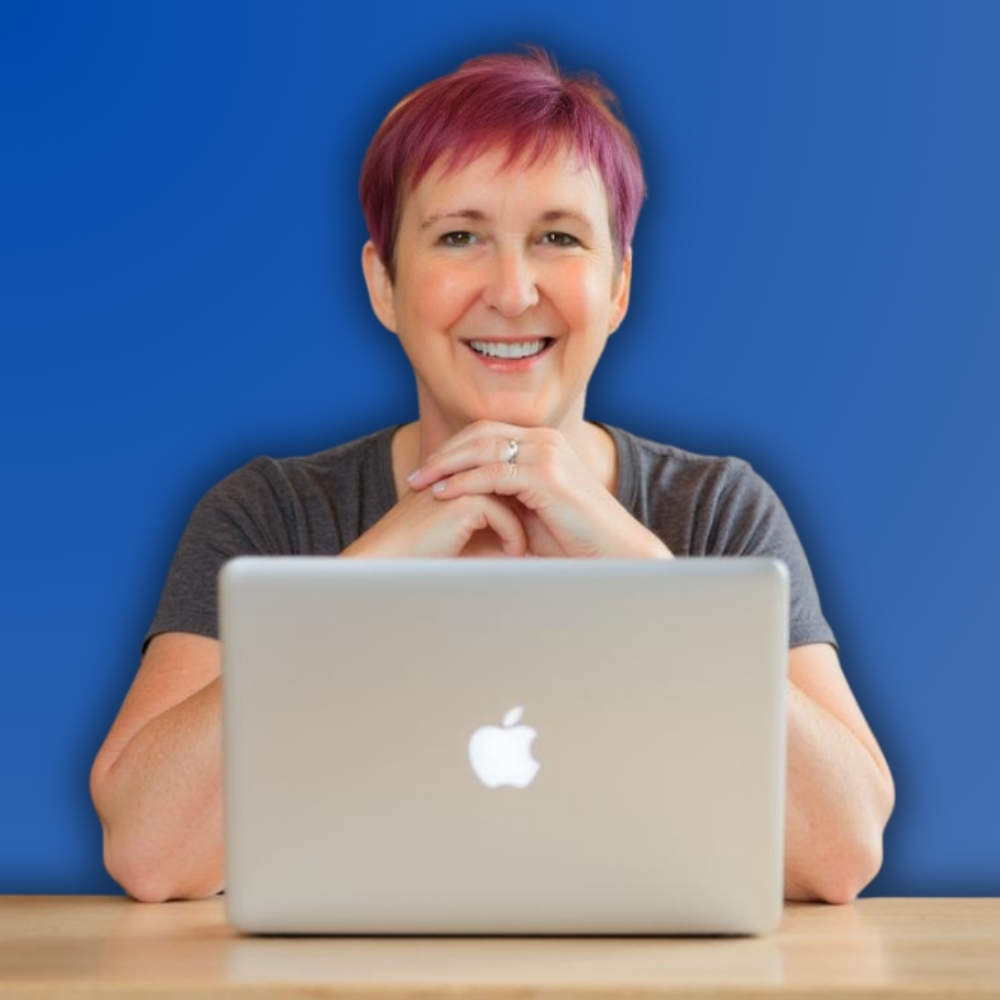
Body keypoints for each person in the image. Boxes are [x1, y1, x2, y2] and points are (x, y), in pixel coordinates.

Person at [90, 48, 894, 905]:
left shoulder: (712, 511)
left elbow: (841, 852)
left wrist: (653, 583)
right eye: (459, 236)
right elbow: (151, 853)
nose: (512, 291)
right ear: (383, 284)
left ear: (618, 286)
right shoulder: (272, 515)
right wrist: (359, 584)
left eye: (558, 237)